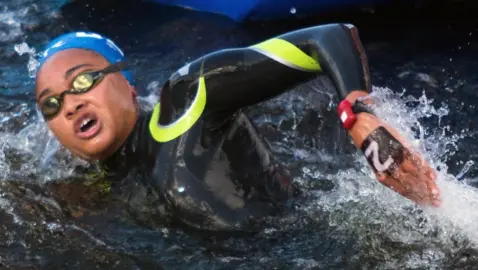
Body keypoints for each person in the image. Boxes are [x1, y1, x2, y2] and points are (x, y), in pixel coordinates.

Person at [35, 23, 440, 232]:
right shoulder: (88, 190)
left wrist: (360, 113)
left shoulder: (187, 96)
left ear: (128, 82)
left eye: (84, 81)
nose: (70, 105)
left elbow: (326, 36)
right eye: (51, 105)